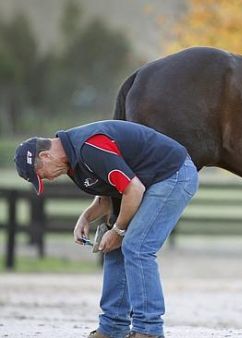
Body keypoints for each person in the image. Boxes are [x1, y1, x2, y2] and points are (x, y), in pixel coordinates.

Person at [14, 120, 199, 338]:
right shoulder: (72, 161)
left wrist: (118, 231)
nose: (47, 179)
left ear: (45, 156)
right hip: (148, 182)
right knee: (113, 247)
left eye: (42, 174)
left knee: (137, 246)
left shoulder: (89, 148)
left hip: (173, 175)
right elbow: (107, 195)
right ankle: (113, 328)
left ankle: (148, 330)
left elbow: (133, 189)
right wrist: (86, 218)